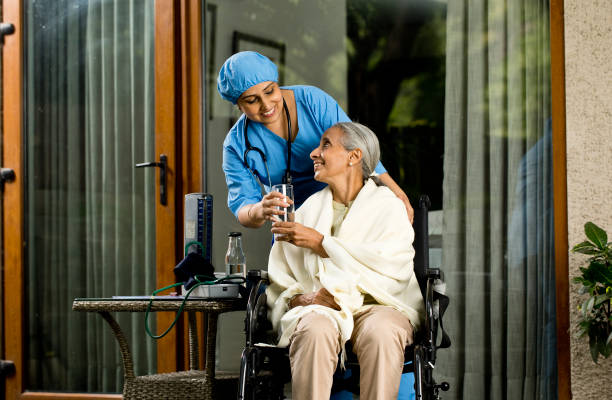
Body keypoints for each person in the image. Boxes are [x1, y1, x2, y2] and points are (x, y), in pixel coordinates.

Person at [265, 122, 424, 400]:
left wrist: (321, 243)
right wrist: (305, 299)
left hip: (380, 305)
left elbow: (391, 268)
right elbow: (281, 282)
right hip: (319, 307)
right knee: (313, 329)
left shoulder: (389, 208)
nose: (314, 153)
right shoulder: (305, 213)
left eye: (326, 144)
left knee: (382, 332)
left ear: (354, 156)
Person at [217, 51, 414, 228]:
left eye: (270, 91)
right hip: (294, 226)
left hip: (343, 214)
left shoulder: (312, 101)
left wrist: (397, 194)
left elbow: (358, 148)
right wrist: (260, 209)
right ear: (238, 105)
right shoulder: (236, 146)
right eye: (251, 100)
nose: (266, 104)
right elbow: (243, 207)